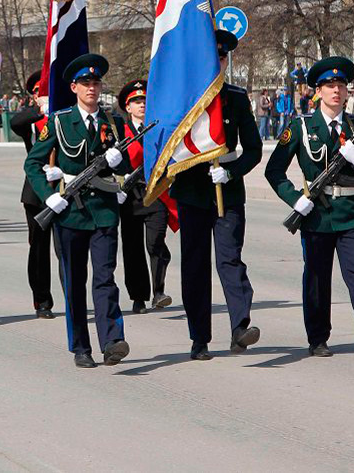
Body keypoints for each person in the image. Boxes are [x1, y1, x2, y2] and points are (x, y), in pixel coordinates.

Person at [264, 56, 354, 357]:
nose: (336, 90)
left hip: (351, 210)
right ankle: (318, 337)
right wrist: (296, 198)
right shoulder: (302, 126)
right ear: (317, 91)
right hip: (316, 214)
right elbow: (274, 171)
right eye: (329, 85)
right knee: (317, 276)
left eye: (341, 85)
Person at [23, 54, 131, 369]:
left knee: (105, 277)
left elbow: (125, 164)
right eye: (85, 83)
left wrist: (118, 164)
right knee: (74, 281)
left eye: (96, 82)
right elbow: (32, 163)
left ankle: (112, 340)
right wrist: (48, 197)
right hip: (69, 211)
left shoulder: (114, 123)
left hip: (104, 212)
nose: (92, 88)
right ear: (74, 87)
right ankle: (81, 346)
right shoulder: (58, 120)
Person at [170, 30, 262, 360]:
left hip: (227, 190)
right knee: (195, 265)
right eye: (213, 57)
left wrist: (232, 170)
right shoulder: (183, 98)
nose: (218, 63)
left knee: (230, 259)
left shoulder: (235, 98)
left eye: (222, 58)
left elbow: (253, 149)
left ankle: (241, 326)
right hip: (193, 191)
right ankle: (199, 338)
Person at [115, 79, 172, 314]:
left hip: (155, 193)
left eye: (145, 100)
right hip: (130, 195)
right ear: (127, 107)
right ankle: (138, 296)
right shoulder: (120, 130)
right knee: (132, 246)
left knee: (156, 242)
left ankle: (159, 291)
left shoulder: (159, 127)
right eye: (136, 101)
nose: (141, 104)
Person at [9, 71, 56, 319]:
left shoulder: (64, 118)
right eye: (39, 91)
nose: (43, 95)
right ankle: (42, 300)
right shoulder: (33, 122)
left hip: (64, 189)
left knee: (66, 248)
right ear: (33, 95)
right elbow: (15, 123)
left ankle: (72, 295)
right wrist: (40, 111)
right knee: (39, 248)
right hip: (36, 191)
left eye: (47, 90)